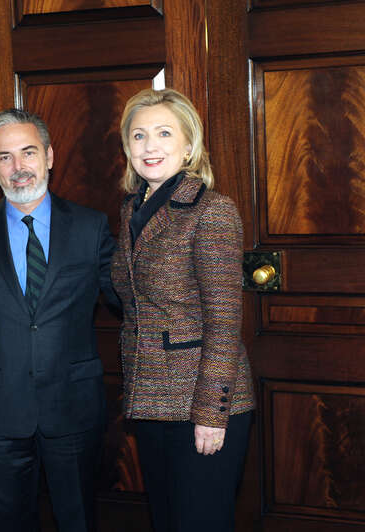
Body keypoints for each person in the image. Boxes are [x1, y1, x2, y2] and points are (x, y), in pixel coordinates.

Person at [0, 108, 118, 532]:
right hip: (1, 410)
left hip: (74, 405)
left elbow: (126, 300)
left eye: (28, 153)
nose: (18, 167)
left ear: (50, 156)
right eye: (5, 157)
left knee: (77, 519)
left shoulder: (91, 227)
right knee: (8, 520)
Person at [111, 88, 256, 532]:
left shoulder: (211, 211)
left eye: (163, 133)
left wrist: (211, 415)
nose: (149, 146)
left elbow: (225, 323)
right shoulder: (131, 211)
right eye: (138, 136)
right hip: (151, 402)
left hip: (203, 408)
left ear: (188, 146)